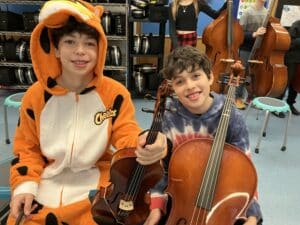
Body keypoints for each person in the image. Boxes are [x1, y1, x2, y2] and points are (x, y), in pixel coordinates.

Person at [7, 1, 167, 224]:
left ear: (100, 49)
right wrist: (24, 185)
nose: (80, 51)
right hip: (44, 183)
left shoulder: (114, 93)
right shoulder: (35, 96)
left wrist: (146, 141)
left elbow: (126, 134)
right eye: (70, 42)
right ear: (55, 48)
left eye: (89, 44)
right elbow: (26, 148)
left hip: (96, 188)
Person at [143, 46, 263, 225]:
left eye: (196, 76)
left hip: (220, 196)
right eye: (180, 81)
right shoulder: (170, 116)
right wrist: (156, 210)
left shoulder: (233, 118)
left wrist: (252, 216)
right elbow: (165, 172)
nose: (190, 86)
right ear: (173, 87)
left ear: (210, 77)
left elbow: (244, 174)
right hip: (182, 197)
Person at [237, 0, 268, 109]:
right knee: (242, 73)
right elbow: (239, 34)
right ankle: (237, 98)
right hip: (246, 48)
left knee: (256, 74)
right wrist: (254, 34)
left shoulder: (267, 13)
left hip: (260, 51)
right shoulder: (247, 12)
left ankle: (253, 98)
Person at [276, 19, 300, 117]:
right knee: (285, 82)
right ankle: (277, 105)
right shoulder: (296, 24)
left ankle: (290, 103)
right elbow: (290, 42)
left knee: (296, 84)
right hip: (292, 58)